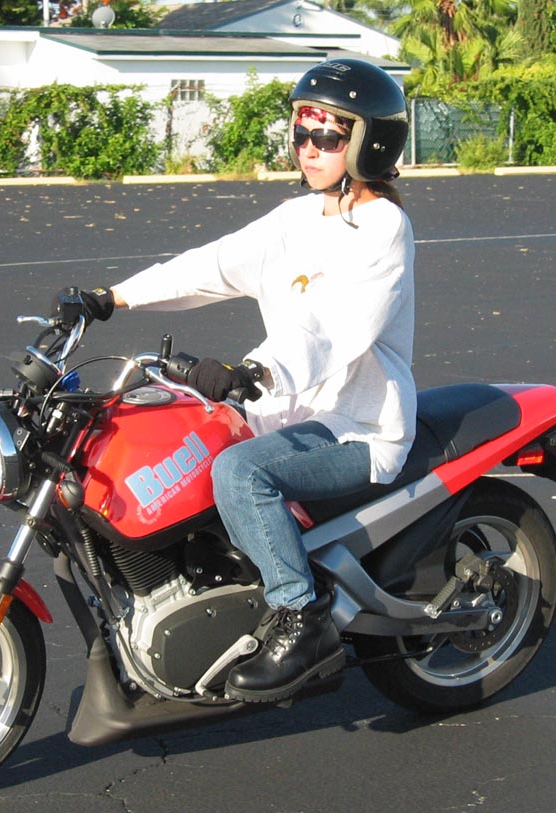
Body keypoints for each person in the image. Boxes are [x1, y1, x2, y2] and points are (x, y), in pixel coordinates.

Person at [78, 58, 416, 703]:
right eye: (302, 132)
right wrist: (112, 297)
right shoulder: (296, 218)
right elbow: (208, 266)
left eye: (329, 136)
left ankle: (302, 617)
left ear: (369, 143)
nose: (309, 147)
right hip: (283, 413)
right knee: (173, 434)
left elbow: (332, 326)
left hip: (356, 426)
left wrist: (255, 371)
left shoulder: (383, 228)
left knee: (239, 473)